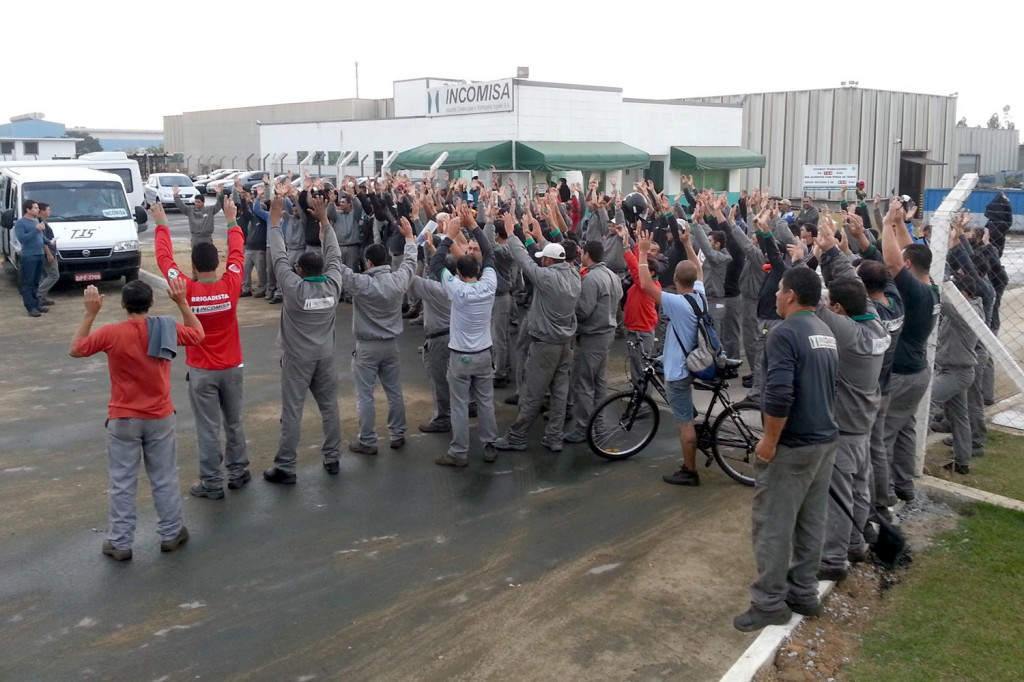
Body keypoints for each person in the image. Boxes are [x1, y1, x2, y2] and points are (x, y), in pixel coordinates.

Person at [69, 276, 204, 561]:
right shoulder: (165, 328)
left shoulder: (112, 333)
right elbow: (197, 334)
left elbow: (76, 348)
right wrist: (182, 302)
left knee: (122, 482)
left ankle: (120, 543)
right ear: (151, 303)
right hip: (159, 416)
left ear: (122, 304)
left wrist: (90, 312)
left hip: (123, 418)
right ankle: (170, 533)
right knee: (164, 477)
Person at [734, 267, 839, 632]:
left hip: (793, 446)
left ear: (791, 294)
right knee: (811, 521)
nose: (776, 296)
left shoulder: (784, 333)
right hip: (824, 441)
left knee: (773, 525)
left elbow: (779, 393)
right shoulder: (824, 331)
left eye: (779, 290)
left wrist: (769, 441)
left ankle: (769, 603)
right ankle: (803, 593)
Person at [154, 198, 250, 498]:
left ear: (193, 265)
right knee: (234, 423)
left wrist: (161, 225)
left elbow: (165, 261)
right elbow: (237, 253)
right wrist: (232, 222)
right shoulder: (231, 284)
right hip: (232, 367)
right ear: (217, 263)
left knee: (207, 428)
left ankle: (211, 483)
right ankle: (237, 472)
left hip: (202, 371)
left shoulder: (186, 290)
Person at [813, 224, 888, 581]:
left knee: (837, 496)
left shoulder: (849, 335)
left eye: (834, 305)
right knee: (859, 488)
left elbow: (812, 303)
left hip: (843, 429)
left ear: (840, 309)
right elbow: (856, 289)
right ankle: (856, 544)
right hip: (863, 425)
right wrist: (832, 252)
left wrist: (811, 261)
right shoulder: (874, 327)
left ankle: (833, 560)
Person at [262, 196, 346, 483]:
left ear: (300, 271)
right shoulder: (333, 285)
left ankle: (286, 466)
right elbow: (334, 255)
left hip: (298, 359)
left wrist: (274, 223)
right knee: (330, 408)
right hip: (325, 355)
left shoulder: (295, 289)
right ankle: (333, 457)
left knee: (292, 412)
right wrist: (324, 222)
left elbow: (278, 257)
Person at [494, 212, 581, 453]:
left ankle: (517, 436)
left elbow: (524, 260)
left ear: (548, 262)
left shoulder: (546, 278)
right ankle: (554, 437)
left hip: (545, 346)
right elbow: (556, 256)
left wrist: (512, 234)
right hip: (565, 344)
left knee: (532, 393)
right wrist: (542, 240)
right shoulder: (574, 275)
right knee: (560, 393)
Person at [635, 226, 706, 486]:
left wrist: (642, 253)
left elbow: (644, 284)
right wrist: (687, 244)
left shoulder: (677, 303)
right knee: (686, 411)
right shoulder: (700, 296)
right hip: (692, 362)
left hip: (679, 370)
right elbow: (698, 268)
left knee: (684, 422)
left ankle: (690, 470)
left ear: (675, 280)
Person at [341, 213, 418, 455]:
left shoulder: (362, 283)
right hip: (390, 345)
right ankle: (397, 433)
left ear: (369, 263)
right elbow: (410, 263)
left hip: (366, 346)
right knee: (394, 391)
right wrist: (410, 239)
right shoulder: (397, 281)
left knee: (365, 395)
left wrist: (325, 230)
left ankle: (367, 440)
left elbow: (336, 266)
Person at [881, 199, 940, 503]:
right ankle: (904, 485)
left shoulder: (915, 293)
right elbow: (907, 252)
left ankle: (884, 495)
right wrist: (899, 223)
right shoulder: (931, 287)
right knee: (905, 428)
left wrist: (885, 224)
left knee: (883, 435)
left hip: (903, 375)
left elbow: (893, 262)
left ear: (909, 266)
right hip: (918, 372)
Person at [431, 212, 500, 466]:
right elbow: (490, 253)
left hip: (460, 356)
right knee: (486, 402)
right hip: (484, 353)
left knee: (459, 405)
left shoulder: (456, 288)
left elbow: (436, 264)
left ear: (458, 273)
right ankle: (490, 444)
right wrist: (475, 228)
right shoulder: (489, 284)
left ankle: (459, 452)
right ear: (479, 270)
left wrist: (448, 236)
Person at [563, 239, 621, 444]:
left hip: (592, 336)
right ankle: (599, 423)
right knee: (599, 382)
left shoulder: (591, 279)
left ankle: (583, 427)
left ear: (587, 254)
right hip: (607, 334)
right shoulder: (613, 276)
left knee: (584, 383)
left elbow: (583, 310)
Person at [15, 199, 47, 317]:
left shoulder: (36, 221)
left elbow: (41, 237)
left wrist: (50, 242)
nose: (38, 210)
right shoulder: (21, 223)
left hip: (39, 254)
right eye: (35, 208)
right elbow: (23, 238)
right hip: (29, 256)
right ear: (27, 209)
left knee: (36, 282)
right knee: (28, 282)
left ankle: (36, 304)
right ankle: (30, 307)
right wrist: (36, 229)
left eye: (38, 208)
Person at [36, 202, 59, 307]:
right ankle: (38, 295)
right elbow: (42, 240)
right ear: (42, 211)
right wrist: (49, 253)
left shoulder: (43, 221)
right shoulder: (40, 222)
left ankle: (43, 297)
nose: (50, 212)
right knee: (54, 275)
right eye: (48, 210)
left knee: (46, 275)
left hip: (50, 249)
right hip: (47, 252)